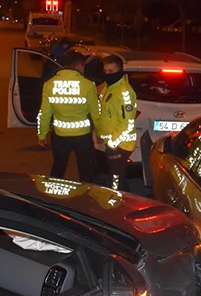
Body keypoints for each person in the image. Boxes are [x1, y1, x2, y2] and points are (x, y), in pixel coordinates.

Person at [37, 50, 101, 183]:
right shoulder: (88, 85)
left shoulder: (50, 84)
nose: (84, 69)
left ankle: (53, 196)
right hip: (82, 136)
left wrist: (42, 135)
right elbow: (96, 113)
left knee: (58, 167)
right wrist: (100, 133)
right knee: (85, 170)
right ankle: (86, 198)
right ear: (78, 66)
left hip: (60, 136)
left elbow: (45, 113)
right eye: (83, 66)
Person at [97, 55, 137, 191]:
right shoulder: (108, 87)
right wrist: (101, 133)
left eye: (111, 71)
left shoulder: (124, 92)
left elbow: (128, 123)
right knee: (118, 176)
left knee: (115, 180)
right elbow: (105, 115)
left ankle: (115, 203)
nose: (108, 74)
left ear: (119, 71)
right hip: (112, 142)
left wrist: (113, 143)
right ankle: (126, 201)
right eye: (105, 71)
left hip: (121, 144)